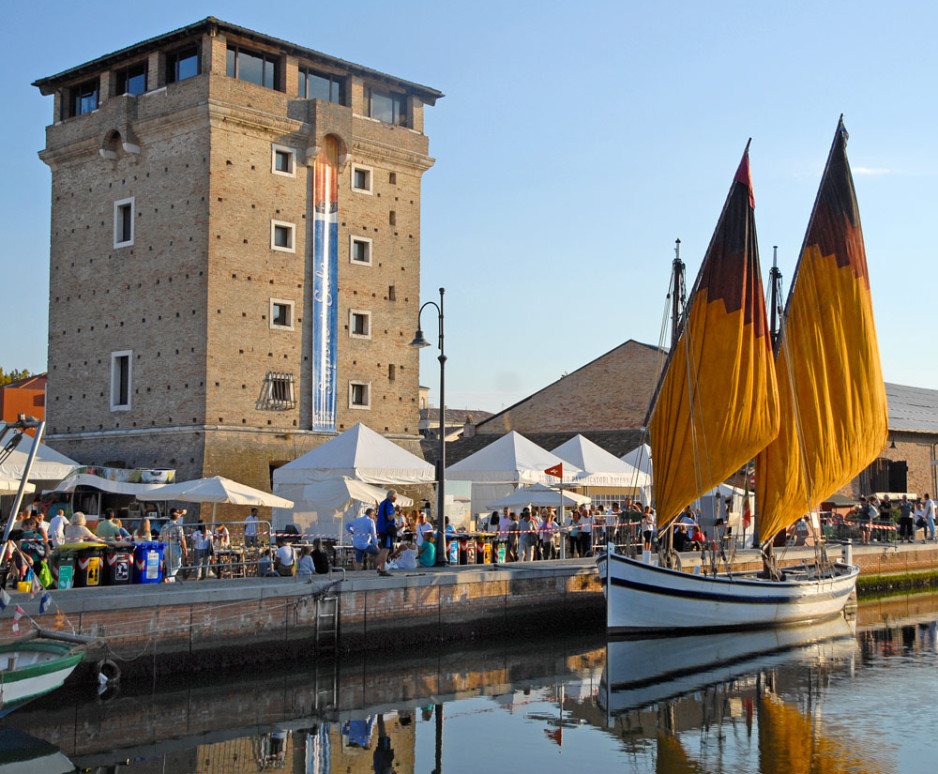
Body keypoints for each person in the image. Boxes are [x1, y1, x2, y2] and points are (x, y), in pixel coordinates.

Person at [160, 509, 189, 581]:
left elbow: (160, 539)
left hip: (165, 547)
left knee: (169, 566)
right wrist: (185, 550)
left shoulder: (164, 526)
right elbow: (182, 539)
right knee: (177, 565)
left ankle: (170, 581)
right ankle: (169, 578)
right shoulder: (178, 526)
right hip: (175, 547)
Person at [375, 489, 398, 577]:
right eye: (395, 497)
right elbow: (389, 517)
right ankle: (383, 568)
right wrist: (395, 513)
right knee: (386, 549)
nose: (396, 499)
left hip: (381, 528)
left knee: (384, 548)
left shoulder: (382, 503)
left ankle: (379, 566)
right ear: (392, 497)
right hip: (387, 529)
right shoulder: (389, 504)